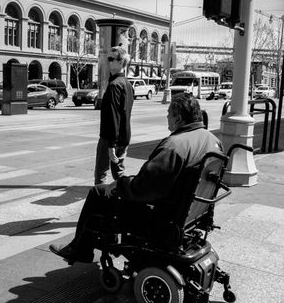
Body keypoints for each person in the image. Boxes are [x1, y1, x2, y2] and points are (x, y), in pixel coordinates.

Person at [50, 93, 223, 263]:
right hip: (190, 213)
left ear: (178, 119)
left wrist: (119, 184)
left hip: (162, 219)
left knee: (98, 193)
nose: (167, 117)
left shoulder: (175, 146)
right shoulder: (214, 141)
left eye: (168, 114)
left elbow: (144, 188)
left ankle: (80, 249)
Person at [94, 45, 133, 185]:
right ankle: (127, 196)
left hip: (110, 138)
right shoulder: (127, 84)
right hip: (124, 136)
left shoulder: (114, 86)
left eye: (111, 59)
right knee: (119, 172)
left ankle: (99, 202)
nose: (108, 62)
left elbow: (113, 117)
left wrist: (111, 146)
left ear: (121, 62)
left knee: (101, 173)